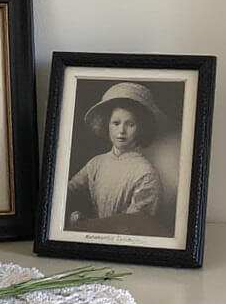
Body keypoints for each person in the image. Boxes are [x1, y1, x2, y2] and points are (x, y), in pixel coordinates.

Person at [67, 81, 165, 223]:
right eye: (116, 123)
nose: (121, 131)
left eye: (130, 124)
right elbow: (68, 190)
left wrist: (87, 223)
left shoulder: (146, 174)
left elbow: (134, 224)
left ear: (141, 128)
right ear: (107, 125)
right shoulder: (97, 163)